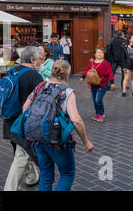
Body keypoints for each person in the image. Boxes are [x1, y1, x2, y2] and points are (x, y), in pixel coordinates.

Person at [24, 60, 93, 191]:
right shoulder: (67, 92)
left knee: (45, 175)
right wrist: (86, 141)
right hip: (57, 141)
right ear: (67, 75)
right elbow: (76, 120)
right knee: (67, 174)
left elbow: (25, 108)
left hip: (38, 139)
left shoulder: (40, 87)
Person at [4, 46, 44, 191]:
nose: (42, 61)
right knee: (22, 156)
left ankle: (32, 177)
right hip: (25, 122)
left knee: (23, 150)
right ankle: (10, 188)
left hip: (10, 119)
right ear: (32, 59)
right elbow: (41, 101)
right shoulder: (34, 76)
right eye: (40, 59)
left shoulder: (13, 70)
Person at [79, 47, 115, 123]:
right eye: (98, 52)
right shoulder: (91, 63)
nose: (99, 54)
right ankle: (97, 113)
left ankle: (101, 114)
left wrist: (112, 83)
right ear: (95, 54)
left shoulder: (106, 63)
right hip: (93, 84)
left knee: (98, 99)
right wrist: (82, 77)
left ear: (104, 54)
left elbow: (110, 74)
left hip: (103, 85)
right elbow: (86, 71)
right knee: (94, 100)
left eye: (101, 52)